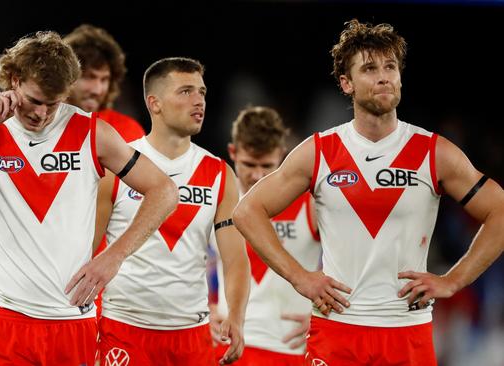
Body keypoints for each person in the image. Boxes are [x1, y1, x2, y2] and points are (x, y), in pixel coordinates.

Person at [0, 31, 178, 365]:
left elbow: (165, 191)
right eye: (35, 100)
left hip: (73, 319)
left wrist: (115, 255)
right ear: (14, 80)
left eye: (53, 104)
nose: (41, 114)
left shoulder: (93, 133)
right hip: (8, 318)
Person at [232, 19, 504, 365]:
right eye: (370, 68)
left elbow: (500, 210)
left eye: (391, 66)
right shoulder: (319, 151)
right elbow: (246, 211)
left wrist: (453, 280)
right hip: (338, 329)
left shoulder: (434, 152)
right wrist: (300, 278)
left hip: (407, 330)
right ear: (346, 83)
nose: (384, 76)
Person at [93, 57, 250, 366]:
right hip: (124, 328)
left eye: (202, 92)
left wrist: (237, 316)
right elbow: (87, 248)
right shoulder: (115, 168)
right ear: (155, 103)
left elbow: (235, 259)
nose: (199, 101)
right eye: (186, 91)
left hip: (191, 335)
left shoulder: (219, 174)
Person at [210, 106, 321, 365]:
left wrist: (327, 319)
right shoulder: (217, 201)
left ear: (282, 156)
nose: (258, 175)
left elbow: (352, 259)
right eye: (249, 164)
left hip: (287, 349)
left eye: (267, 166)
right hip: (225, 346)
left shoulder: (309, 202)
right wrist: (206, 309)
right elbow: (193, 260)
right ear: (233, 152)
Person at [63, 24, 145, 142]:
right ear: (65, 77)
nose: (97, 90)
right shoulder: (38, 123)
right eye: (89, 77)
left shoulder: (126, 129)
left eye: (104, 79)